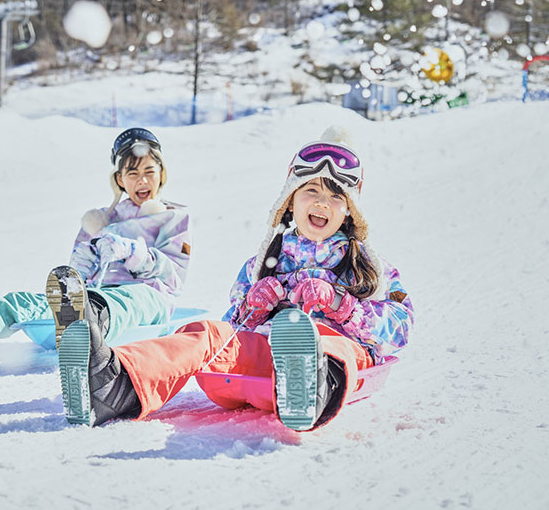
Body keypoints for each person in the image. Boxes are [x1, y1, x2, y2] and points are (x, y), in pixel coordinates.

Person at [56, 127, 414, 432]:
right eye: (312, 191)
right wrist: (254, 305)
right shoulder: (263, 263)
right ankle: (116, 385)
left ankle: (310, 385)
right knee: (207, 334)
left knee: (326, 342)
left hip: (338, 354)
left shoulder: (370, 268)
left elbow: (400, 327)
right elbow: (234, 327)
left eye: (336, 196)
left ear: (349, 209)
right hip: (266, 353)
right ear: (290, 202)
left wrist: (339, 304)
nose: (322, 202)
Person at [0, 127, 192, 346]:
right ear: (119, 180)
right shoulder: (100, 222)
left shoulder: (172, 217)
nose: (142, 181)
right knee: (28, 302)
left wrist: (131, 252)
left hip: (149, 301)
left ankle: (86, 322)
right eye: (133, 174)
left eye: (149, 172)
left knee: (132, 297)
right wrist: (84, 260)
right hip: (95, 296)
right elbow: (74, 280)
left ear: (161, 174)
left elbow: (173, 275)